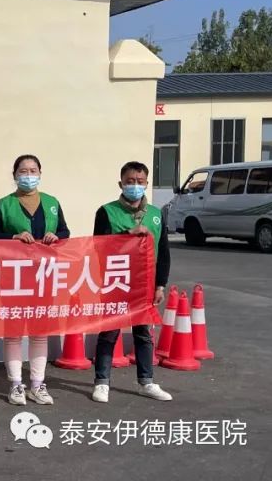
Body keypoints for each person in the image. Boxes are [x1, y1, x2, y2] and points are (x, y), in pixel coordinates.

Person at [0, 154, 70, 406]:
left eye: (33, 171)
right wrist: (13, 237)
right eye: (23, 171)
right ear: (14, 175)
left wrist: (56, 235)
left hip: (44, 275)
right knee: (13, 332)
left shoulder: (52, 203)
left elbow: (65, 231)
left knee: (39, 332)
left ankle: (37, 385)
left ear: (40, 174)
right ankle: (16, 385)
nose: (28, 175)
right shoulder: (3, 205)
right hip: (13, 277)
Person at [91, 161, 173, 403]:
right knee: (109, 332)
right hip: (116, 281)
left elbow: (164, 252)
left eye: (139, 181)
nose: (134, 186)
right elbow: (98, 246)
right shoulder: (106, 212)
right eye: (129, 181)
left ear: (147, 184)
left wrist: (160, 285)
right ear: (121, 184)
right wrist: (127, 236)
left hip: (145, 284)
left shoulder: (156, 215)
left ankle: (146, 382)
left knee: (144, 333)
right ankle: (102, 382)